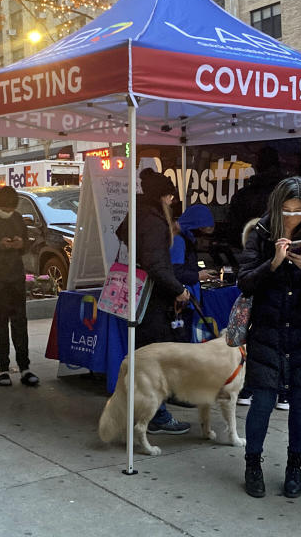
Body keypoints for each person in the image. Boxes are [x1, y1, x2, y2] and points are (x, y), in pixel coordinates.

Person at [237, 177, 301, 499]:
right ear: (276, 207)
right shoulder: (261, 233)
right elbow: (244, 283)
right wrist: (274, 263)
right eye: (286, 210)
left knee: (300, 402)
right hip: (267, 330)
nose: (293, 217)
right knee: (263, 402)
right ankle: (252, 464)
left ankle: (294, 467)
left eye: (299, 211)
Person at [115, 168, 191, 435]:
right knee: (153, 358)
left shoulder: (138, 212)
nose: (172, 203)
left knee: (142, 356)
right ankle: (156, 415)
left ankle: (139, 409)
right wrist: (178, 289)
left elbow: (120, 232)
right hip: (151, 298)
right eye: (170, 197)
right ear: (163, 197)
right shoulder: (155, 221)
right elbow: (157, 265)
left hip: (135, 293)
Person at [228, 147, 287, 409]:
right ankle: (284, 392)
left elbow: (231, 230)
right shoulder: (286, 195)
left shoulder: (245, 195)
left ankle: (249, 388)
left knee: (255, 334)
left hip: (255, 274)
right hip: (285, 275)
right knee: (285, 336)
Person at [0, 186, 38, 387]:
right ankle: (3, 368)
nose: (8, 211)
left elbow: (26, 246)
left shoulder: (17, 218)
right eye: (5, 207)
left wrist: (20, 244)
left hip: (15, 276)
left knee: (20, 322)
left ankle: (25, 367)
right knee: (0, 323)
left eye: (11, 208)